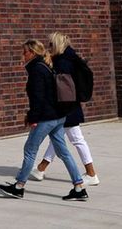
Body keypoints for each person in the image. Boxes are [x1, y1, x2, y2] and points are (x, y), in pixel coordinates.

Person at [0, 39, 89, 202]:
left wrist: (33, 118)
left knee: (30, 150)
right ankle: (79, 187)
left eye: (24, 52)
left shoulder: (37, 70)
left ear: (32, 53)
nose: (22, 55)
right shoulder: (46, 65)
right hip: (59, 116)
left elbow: (38, 98)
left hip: (46, 118)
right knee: (63, 152)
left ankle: (19, 187)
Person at [31, 32, 99, 185]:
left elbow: (63, 90)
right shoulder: (70, 59)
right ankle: (41, 168)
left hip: (66, 107)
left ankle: (91, 173)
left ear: (56, 44)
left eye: (50, 44)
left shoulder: (63, 63)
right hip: (69, 106)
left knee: (76, 139)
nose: (48, 47)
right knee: (57, 138)